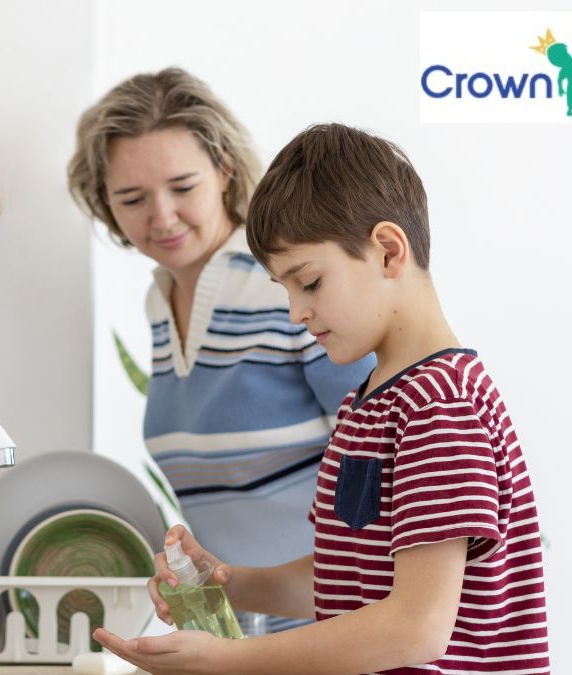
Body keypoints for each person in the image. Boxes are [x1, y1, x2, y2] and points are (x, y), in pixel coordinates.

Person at [92, 123, 550, 673]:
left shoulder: (438, 406)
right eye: (284, 290)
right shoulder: (369, 406)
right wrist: (228, 584)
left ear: (386, 251)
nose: (295, 313)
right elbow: (341, 582)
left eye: (308, 282)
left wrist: (228, 661)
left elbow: (416, 628)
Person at [68, 70, 374, 633]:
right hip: (243, 639)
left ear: (225, 171)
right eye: (132, 198)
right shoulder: (158, 305)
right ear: (105, 203)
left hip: (337, 634)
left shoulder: (286, 286)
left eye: (183, 187)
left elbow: (390, 463)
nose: (161, 217)